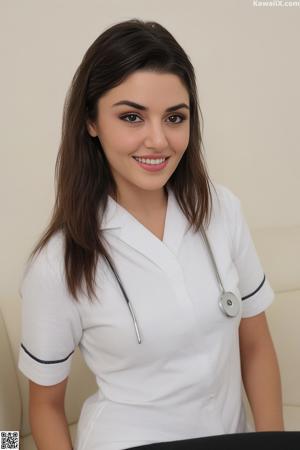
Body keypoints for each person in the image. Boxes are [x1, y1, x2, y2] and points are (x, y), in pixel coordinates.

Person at [17, 18, 284, 450]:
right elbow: (45, 407)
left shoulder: (221, 209)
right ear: (91, 121)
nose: (158, 140)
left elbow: (255, 346)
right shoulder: (57, 263)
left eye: (174, 117)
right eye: (131, 117)